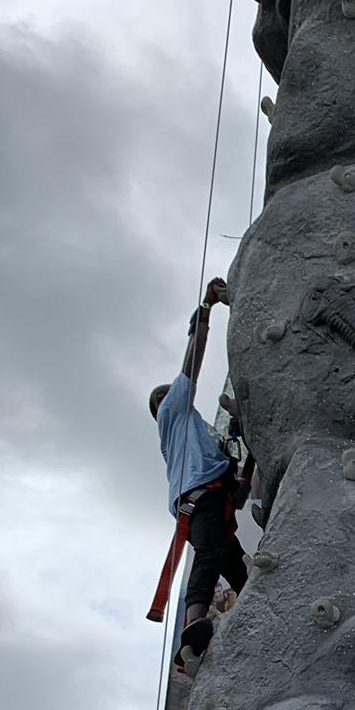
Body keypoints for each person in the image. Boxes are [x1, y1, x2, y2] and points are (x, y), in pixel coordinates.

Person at [150, 279, 246, 668]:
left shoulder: (190, 439)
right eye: (169, 391)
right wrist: (204, 311)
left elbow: (235, 488)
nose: (175, 390)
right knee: (209, 554)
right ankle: (193, 627)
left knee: (243, 576)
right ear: (163, 402)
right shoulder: (172, 410)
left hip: (210, 500)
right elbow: (193, 358)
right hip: (201, 499)